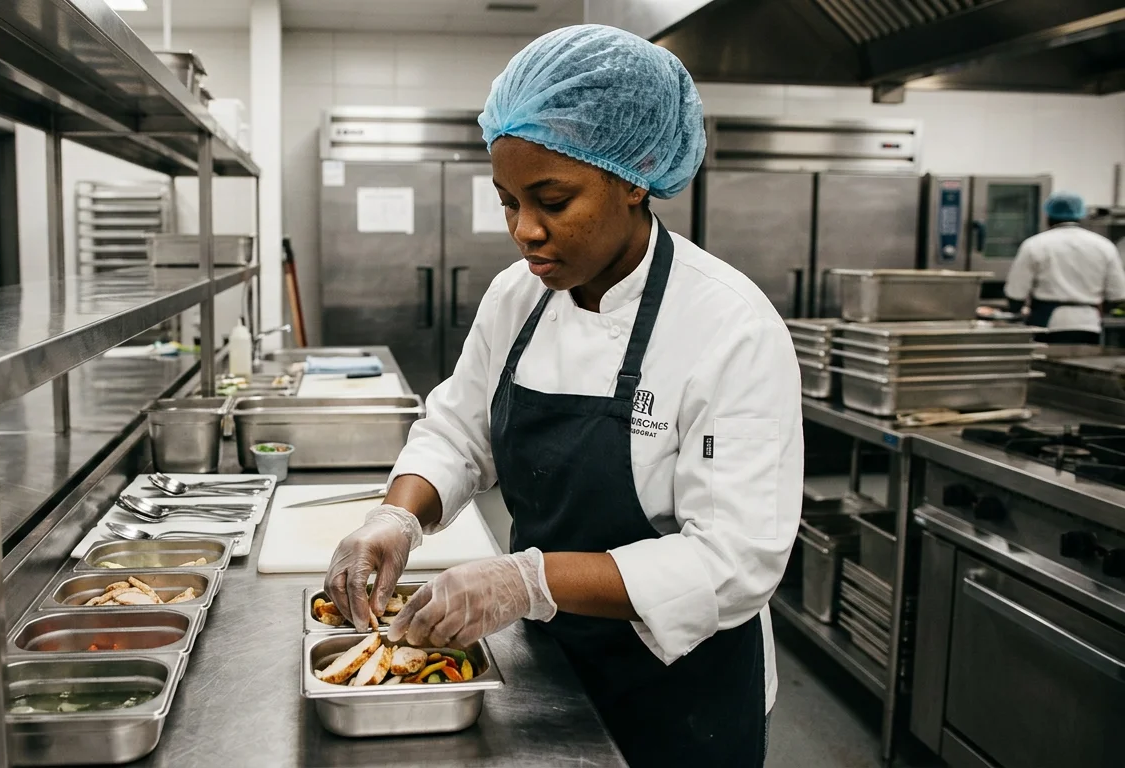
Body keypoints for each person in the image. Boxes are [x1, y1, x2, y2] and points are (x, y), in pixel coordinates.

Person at [323, 25, 801, 768]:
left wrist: (529, 579)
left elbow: (734, 561)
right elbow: (459, 429)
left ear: (635, 178)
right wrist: (397, 518)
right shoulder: (517, 297)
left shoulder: (730, 325)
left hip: (682, 691)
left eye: (552, 199)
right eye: (508, 201)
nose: (524, 231)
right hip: (549, 666)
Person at [1004, 191, 1125, 345]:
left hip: (1047, 323)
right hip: (1089, 324)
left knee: (1047, 359)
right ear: (1080, 215)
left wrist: (1016, 311)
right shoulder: (1104, 246)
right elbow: (1117, 294)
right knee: (1084, 360)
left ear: (1048, 216)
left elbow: (1016, 293)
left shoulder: (1035, 245)